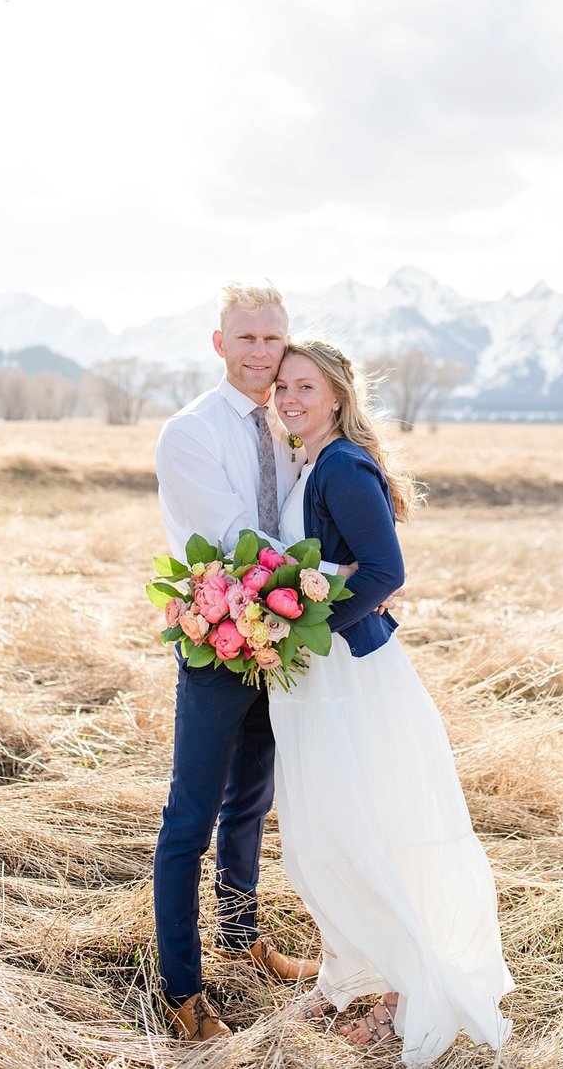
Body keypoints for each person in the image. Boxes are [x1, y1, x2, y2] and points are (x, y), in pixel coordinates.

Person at [270, 339, 514, 1066]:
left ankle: (403, 988)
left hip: (351, 676)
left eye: (305, 387)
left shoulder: (342, 463)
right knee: (325, 829)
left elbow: (385, 571)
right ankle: (352, 970)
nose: (290, 399)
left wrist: (310, 628)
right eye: (282, 387)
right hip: (316, 675)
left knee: (364, 825)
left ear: (338, 395)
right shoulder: (311, 460)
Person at [153, 284, 356, 1043]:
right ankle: (182, 988)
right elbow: (241, 543)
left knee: (250, 803)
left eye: (274, 339)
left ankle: (241, 938)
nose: (262, 353)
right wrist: (346, 577)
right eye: (247, 340)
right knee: (191, 814)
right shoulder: (191, 433)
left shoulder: (285, 424)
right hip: (216, 643)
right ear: (219, 344)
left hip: (276, 641)